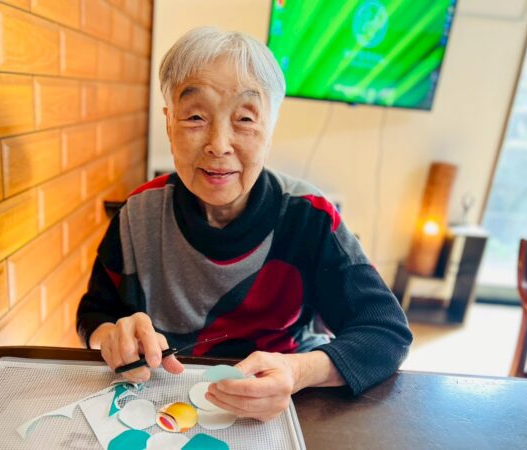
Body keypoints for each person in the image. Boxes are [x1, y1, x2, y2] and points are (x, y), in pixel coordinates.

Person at [77, 26, 412, 422]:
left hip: (284, 406)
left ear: (270, 129)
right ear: (169, 123)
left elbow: (386, 333)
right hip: (165, 406)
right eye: (196, 117)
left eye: (245, 119)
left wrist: (297, 371)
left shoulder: (310, 216)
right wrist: (111, 336)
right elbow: (94, 314)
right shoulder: (138, 214)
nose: (219, 145)